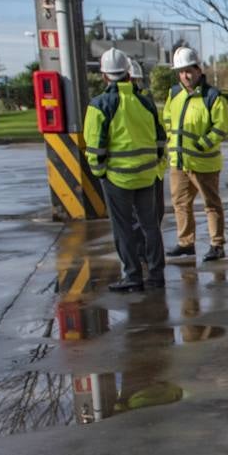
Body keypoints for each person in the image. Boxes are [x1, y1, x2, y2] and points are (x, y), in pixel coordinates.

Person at [84, 47, 168, 293]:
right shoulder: (145, 102)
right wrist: (155, 166)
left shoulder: (100, 105)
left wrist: (100, 173)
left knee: (123, 229)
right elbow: (160, 139)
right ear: (128, 74)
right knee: (150, 227)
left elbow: (95, 146)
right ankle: (156, 274)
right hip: (146, 175)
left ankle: (132, 275)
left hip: (117, 178)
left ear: (104, 76)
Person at [163, 46, 228, 262]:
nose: (185, 75)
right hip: (179, 163)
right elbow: (167, 120)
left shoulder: (212, 96)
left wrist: (202, 145)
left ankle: (217, 244)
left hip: (204, 165)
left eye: (189, 70)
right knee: (181, 204)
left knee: (211, 204)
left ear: (199, 69)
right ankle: (185, 243)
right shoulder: (174, 94)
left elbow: (220, 127)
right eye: (181, 71)